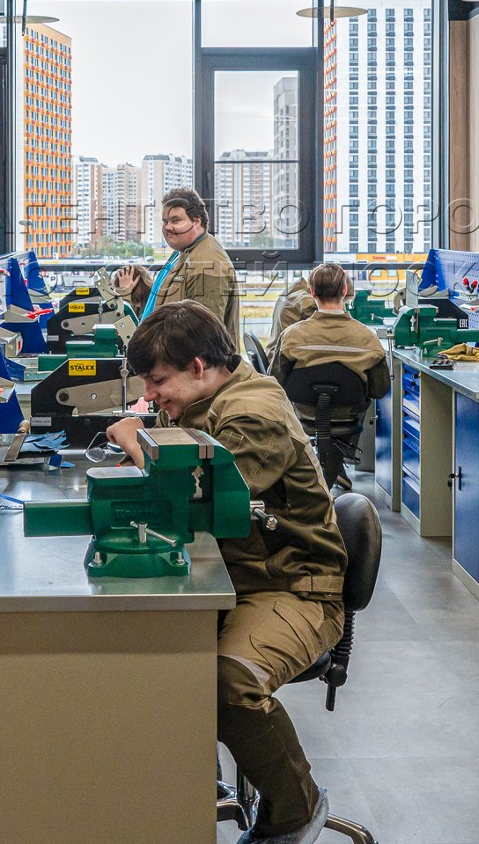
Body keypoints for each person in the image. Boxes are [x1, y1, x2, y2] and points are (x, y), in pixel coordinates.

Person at [105, 302, 347, 844]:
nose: (150, 394)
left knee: (228, 683)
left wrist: (138, 447)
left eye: (157, 381)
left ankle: (296, 809)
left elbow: (209, 497)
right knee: (137, 654)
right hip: (229, 573)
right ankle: (186, 785)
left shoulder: (253, 413)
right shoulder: (203, 397)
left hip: (294, 584)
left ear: (197, 366)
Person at [273, 263, 391, 490]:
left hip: (304, 414)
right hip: (347, 416)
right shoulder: (368, 338)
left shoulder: (292, 336)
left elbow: (276, 381)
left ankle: (322, 476)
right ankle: (332, 469)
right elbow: (379, 389)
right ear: (345, 291)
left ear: (312, 292)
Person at [141, 188, 239, 341]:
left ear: (196, 222)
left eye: (176, 221)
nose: (167, 227)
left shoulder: (207, 262)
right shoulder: (182, 252)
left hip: (182, 356)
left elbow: (205, 338)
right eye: (165, 221)